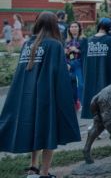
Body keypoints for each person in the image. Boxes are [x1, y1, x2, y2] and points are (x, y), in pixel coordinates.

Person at [0, 11, 80, 178]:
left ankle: (33, 168)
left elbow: (22, 73)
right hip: (46, 97)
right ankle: (44, 173)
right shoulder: (55, 45)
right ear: (54, 25)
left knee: (34, 128)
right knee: (48, 131)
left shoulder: (27, 44)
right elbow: (58, 75)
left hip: (27, 97)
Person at [81, 18, 111, 119]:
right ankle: (104, 122)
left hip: (90, 76)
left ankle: (95, 121)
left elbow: (85, 61)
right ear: (110, 28)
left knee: (93, 97)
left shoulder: (89, 40)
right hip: (106, 75)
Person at [65, 21, 86, 111]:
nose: (73, 28)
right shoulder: (66, 41)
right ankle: (74, 103)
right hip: (69, 64)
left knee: (80, 84)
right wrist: (65, 53)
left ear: (79, 28)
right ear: (69, 29)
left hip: (79, 63)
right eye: (72, 27)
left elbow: (86, 52)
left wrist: (77, 50)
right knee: (71, 84)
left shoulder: (83, 40)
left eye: (75, 26)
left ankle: (81, 102)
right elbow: (64, 54)